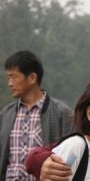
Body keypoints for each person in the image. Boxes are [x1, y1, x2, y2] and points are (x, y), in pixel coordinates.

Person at [0, 50, 73, 180]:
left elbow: (72, 157)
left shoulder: (62, 114)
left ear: (32, 78)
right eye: (8, 77)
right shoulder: (6, 115)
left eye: (14, 77)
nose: (10, 83)